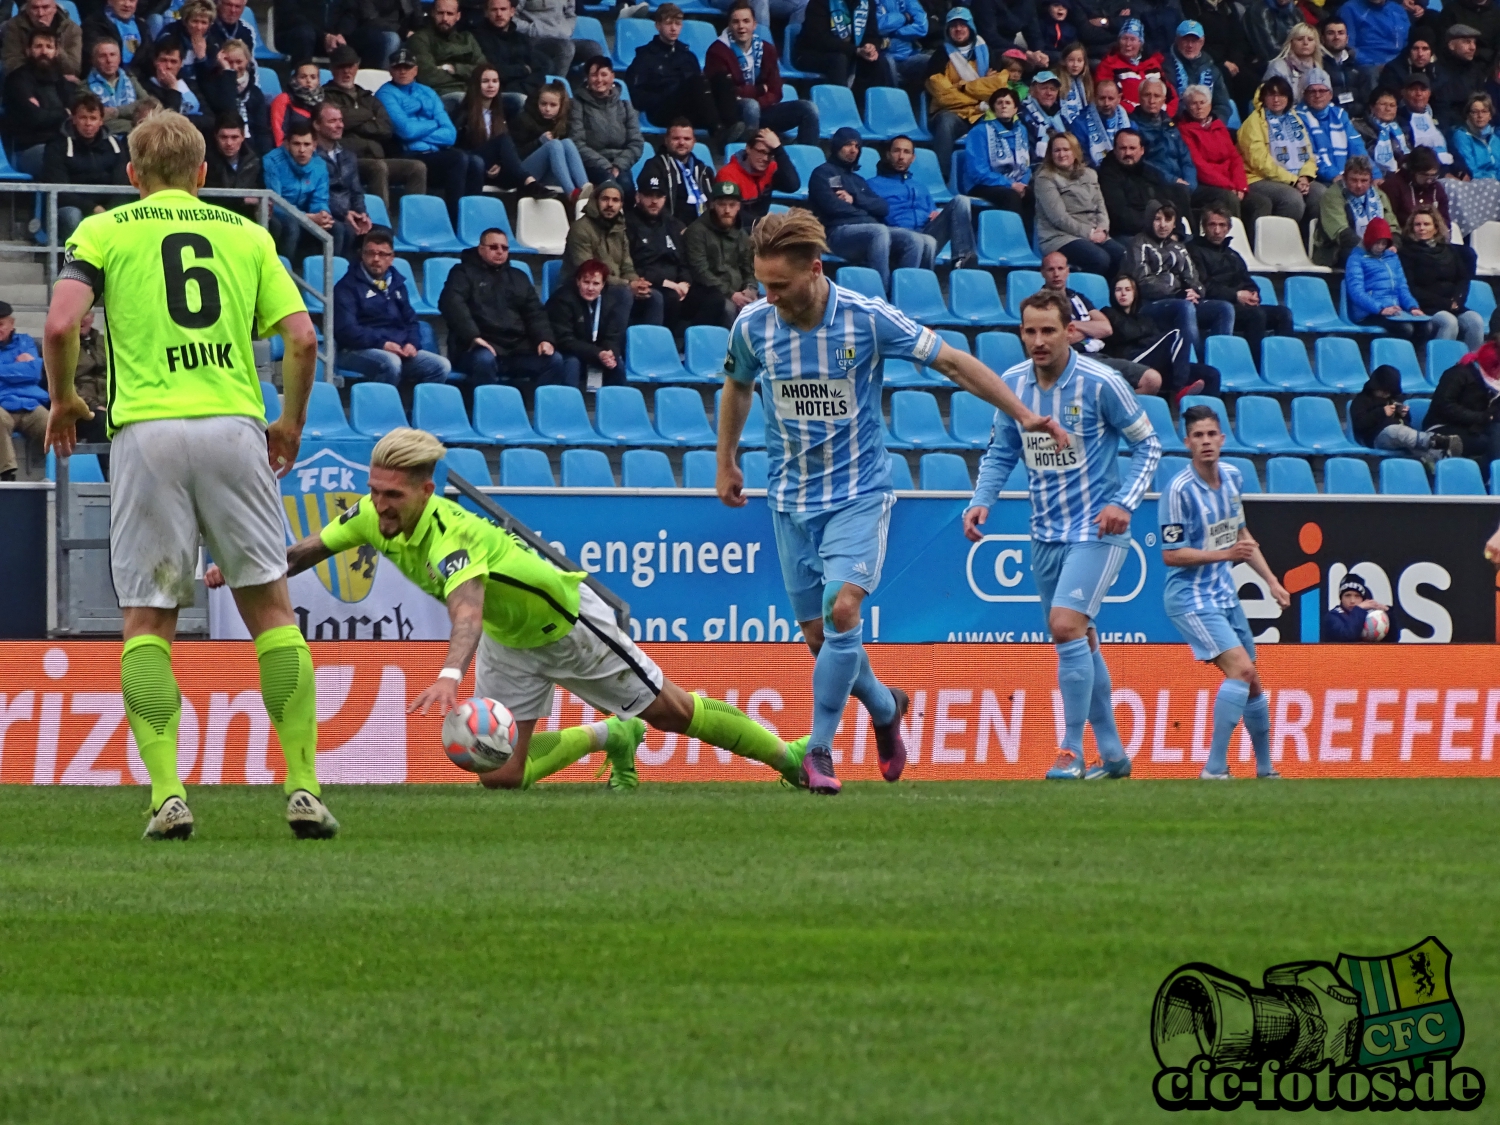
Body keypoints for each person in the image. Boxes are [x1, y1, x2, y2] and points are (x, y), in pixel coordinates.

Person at [226, 428, 812, 793]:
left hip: (566, 627)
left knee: (675, 712)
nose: (378, 505)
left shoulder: (451, 538)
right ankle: (610, 734)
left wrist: (451, 675)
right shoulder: (369, 516)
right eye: (375, 490)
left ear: (427, 491)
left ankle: (792, 758)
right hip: (511, 643)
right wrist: (245, 568)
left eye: (393, 495)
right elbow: (305, 552)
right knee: (501, 774)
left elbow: (467, 612)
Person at [42, 111, 327, 839]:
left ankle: (168, 793)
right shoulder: (248, 235)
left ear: (132, 175)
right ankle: (302, 784)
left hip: (147, 432)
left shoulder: (105, 230)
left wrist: (67, 396)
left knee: (147, 620)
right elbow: (301, 337)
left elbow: (59, 324)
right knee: (270, 610)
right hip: (234, 426)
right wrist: (287, 422)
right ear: (205, 174)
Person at [718, 212, 1074, 794]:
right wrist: (726, 459)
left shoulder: (865, 318)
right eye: (763, 284)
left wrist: (1025, 414)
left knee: (841, 609)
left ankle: (820, 750)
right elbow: (737, 384)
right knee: (820, 639)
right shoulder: (755, 326)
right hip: (789, 500)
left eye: (779, 285)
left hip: (858, 494)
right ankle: (886, 708)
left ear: (815, 270)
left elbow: (953, 362)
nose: (769, 296)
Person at [965, 288, 1161, 781]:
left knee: (1065, 624)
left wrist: (1124, 503)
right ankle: (1114, 755)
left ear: (1070, 332)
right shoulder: (1011, 385)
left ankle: (1069, 750)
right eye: (1029, 331)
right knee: (1079, 636)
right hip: (1045, 532)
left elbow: (1150, 446)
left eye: (1048, 330)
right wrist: (981, 500)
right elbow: (1001, 452)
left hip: (1097, 527)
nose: (1038, 340)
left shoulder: (1101, 383)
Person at [1158, 405, 1288, 780]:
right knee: (1242, 670)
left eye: (1211, 434)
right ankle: (1214, 769)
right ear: (1187, 443)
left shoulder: (1232, 477)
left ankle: (1265, 771)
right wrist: (1225, 554)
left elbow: (1241, 535)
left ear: (1222, 438)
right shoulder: (1178, 491)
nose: (1206, 442)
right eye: (1198, 436)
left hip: (1223, 595)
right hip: (1189, 598)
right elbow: (1171, 554)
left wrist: (1271, 581)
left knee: (1252, 681)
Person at [440, 227, 570, 387]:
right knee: (484, 360)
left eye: (504, 248)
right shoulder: (461, 273)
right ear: (481, 249)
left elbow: (535, 313)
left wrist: (544, 339)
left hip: (516, 349)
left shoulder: (518, 277)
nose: (500, 251)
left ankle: (540, 409)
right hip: (476, 347)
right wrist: (473, 337)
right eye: (493, 247)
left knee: (554, 360)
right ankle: (486, 409)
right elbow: (451, 303)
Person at [1126, 199, 1232, 392]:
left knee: (1224, 308)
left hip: (1180, 300)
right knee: (1185, 306)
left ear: (1175, 222)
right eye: (1157, 219)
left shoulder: (1179, 247)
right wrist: (1179, 292)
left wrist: (1195, 292)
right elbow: (1143, 282)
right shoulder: (1139, 243)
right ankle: (1193, 366)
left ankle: (1218, 367)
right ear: (1150, 219)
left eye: (1168, 219)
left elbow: (1195, 279)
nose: (1163, 224)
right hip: (1150, 305)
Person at [811, 126, 925, 293]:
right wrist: (865, 209)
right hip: (836, 234)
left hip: (866, 231)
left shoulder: (858, 180)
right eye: (848, 145)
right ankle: (881, 296)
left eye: (857, 146)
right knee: (879, 231)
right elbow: (833, 208)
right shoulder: (822, 173)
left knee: (914, 239)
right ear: (837, 146)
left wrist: (855, 199)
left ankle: (904, 295)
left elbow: (883, 207)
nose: (853, 150)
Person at [334, 228, 453, 385]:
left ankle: (416, 409)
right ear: (362, 255)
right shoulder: (346, 286)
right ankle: (383, 408)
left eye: (382, 254)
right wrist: (382, 344)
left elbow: (411, 321)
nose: (376, 259)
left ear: (391, 258)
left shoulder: (397, 284)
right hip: (355, 350)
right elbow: (347, 330)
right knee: (390, 362)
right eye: (370, 253)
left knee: (440, 366)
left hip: (397, 348)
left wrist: (412, 344)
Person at [377, 46, 483, 221]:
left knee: (476, 163)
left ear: (416, 70)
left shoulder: (427, 92)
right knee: (458, 159)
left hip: (436, 153)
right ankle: (455, 221)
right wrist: (434, 123)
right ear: (390, 70)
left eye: (407, 67)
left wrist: (422, 128)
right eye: (397, 67)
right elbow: (406, 131)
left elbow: (450, 135)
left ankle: (472, 222)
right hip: (409, 155)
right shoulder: (385, 93)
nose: (402, 72)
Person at [1042, 251, 1164, 393]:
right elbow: (1058, 341)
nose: (1056, 274)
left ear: (1067, 271)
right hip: (1070, 361)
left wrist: (1071, 326)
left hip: (1098, 356)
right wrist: (1090, 331)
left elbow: (1106, 328)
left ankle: (1117, 409)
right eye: (1051, 269)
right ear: (1043, 273)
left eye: (1060, 268)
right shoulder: (1039, 303)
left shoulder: (1077, 297)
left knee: (1152, 380)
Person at [323, 45, 429, 208]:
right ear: (331, 69)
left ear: (357, 67)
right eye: (341, 66)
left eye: (350, 66)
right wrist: (368, 115)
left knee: (417, 167)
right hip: (346, 159)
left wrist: (352, 119)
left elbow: (386, 129)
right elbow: (337, 121)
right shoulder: (325, 95)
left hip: (375, 155)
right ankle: (382, 226)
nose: (347, 71)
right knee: (378, 167)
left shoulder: (367, 96)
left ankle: (414, 221)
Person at [703, 0, 819, 145]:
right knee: (751, 106)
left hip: (763, 108)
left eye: (746, 21)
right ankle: (751, 154)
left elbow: (776, 90)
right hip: (734, 113)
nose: (741, 26)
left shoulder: (767, 48)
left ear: (754, 25)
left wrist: (758, 100)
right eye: (736, 22)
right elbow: (724, 92)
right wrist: (758, 90)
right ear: (729, 25)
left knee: (809, 108)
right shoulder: (717, 51)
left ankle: (808, 158)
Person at [1191, 202, 1292, 361]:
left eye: (1221, 225)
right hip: (1213, 306)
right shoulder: (1194, 250)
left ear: (1228, 228)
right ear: (1203, 226)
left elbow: (1247, 281)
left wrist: (1253, 294)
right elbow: (1203, 286)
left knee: (1283, 314)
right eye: (1212, 225)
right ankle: (1254, 365)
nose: (1217, 230)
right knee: (1256, 315)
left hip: (1238, 305)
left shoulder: (1233, 255)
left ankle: (1283, 364)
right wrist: (1236, 295)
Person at [627, 170, 718, 339]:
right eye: (649, 195)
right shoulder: (628, 224)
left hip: (678, 284)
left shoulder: (673, 224)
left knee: (714, 298)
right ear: (638, 197)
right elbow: (632, 265)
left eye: (659, 196)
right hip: (651, 284)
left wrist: (685, 282)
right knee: (668, 297)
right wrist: (666, 283)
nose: (654, 201)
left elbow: (684, 260)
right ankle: (666, 346)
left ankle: (690, 344)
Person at [869, 133, 979, 271]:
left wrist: (935, 216)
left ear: (913, 158)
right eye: (896, 151)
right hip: (897, 239)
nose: (901, 156)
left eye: (906, 152)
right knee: (928, 242)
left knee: (961, 201)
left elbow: (931, 212)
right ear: (888, 154)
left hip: (926, 234)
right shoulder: (872, 185)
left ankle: (962, 259)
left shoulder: (920, 187)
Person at [564, 180, 662, 326]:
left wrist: (637, 283)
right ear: (595, 201)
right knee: (624, 294)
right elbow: (587, 272)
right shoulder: (580, 229)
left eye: (615, 200)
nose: (610, 204)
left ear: (621, 205)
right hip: (584, 287)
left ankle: (647, 345)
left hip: (615, 286)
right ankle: (616, 344)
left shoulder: (620, 230)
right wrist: (628, 285)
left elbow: (627, 267)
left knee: (654, 297)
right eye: (605, 199)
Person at [1104, 272, 1217, 398]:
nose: (1123, 293)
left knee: (1211, 374)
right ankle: (1179, 388)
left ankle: (1206, 415)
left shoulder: (1144, 317)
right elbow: (1125, 333)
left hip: (1152, 361)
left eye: (1128, 289)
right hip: (1130, 361)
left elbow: (1145, 336)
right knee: (1176, 334)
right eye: (1118, 290)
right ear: (1113, 294)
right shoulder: (1108, 313)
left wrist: (1142, 336)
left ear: (1134, 293)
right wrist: (1144, 335)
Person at [925, 7, 1006, 176]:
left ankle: (997, 175)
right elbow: (943, 95)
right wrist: (979, 96)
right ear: (948, 30)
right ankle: (941, 177)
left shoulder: (988, 52)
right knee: (946, 123)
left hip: (982, 113)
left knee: (1004, 119)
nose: (958, 29)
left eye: (963, 25)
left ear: (971, 27)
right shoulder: (940, 56)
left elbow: (997, 88)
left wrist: (963, 86)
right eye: (954, 26)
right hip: (952, 113)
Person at [1034, 130, 1123, 276]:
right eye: (1057, 150)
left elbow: (1101, 207)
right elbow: (1059, 218)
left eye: (1066, 150)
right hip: (1059, 236)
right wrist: (1089, 233)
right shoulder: (1045, 178)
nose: (1062, 154)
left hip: (1094, 232)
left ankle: (1111, 297)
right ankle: (1083, 294)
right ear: (1050, 154)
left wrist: (1102, 229)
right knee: (1099, 259)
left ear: (1075, 152)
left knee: (1122, 256)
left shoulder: (1090, 174)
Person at [43, 93, 129, 242]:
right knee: (72, 216)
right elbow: (60, 191)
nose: (88, 123)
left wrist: (109, 213)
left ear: (101, 121)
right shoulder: (56, 146)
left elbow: (122, 185)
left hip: (108, 209)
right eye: (83, 118)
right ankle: (78, 262)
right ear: (74, 119)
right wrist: (94, 208)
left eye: (93, 118)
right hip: (74, 208)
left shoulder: (116, 146)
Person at [1238, 75, 1322, 225]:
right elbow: (1260, 162)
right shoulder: (1253, 122)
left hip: (1295, 177)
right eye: (1272, 95)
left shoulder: (1294, 119)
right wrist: (1292, 180)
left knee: (1320, 194)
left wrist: (1305, 176)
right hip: (1258, 178)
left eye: (1281, 95)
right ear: (1264, 97)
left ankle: (1309, 242)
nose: (1276, 100)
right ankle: (1279, 242)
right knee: (1292, 199)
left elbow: (1308, 153)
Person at [626, 4, 721, 133]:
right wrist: (663, 97)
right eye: (668, 23)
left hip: (687, 109)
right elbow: (636, 95)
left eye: (678, 24)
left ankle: (730, 126)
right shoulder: (645, 56)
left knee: (722, 78)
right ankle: (718, 130)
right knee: (697, 81)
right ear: (658, 25)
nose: (673, 28)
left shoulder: (688, 55)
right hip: (661, 111)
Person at [1399, 206, 1484, 349]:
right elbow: (1411, 288)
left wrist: (1457, 299)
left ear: (1436, 227)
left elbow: (1462, 278)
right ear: (1411, 228)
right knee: (1449, 322)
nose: (1422, 228)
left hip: (1452, 304)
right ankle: (1442, 367)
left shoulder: (1449, 250)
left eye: (1426, 224)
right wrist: (1445, 303)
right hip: (1426, 306)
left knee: (1475, 321)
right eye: (1417, 224)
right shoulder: (1406, 253)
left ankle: (1472, 366)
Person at [1178, 83, 1263, 223]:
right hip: (1205, 185)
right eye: (1193, 103)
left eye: (1202, 102)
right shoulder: (1184, 130)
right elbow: (1199, 166)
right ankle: (1234, 239)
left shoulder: (1219, 126)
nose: (1199, 107)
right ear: (1187, 106)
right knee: (1230, 199)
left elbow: (1235, 158)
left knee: (1260, 202)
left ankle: (1254, 242)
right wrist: (1229, 187)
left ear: (1210, 104)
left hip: (1230, 183)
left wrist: (1240, 186)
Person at [683, 180, 758, 327]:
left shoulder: (741, 234)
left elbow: (748, 269)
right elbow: (700, 271)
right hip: (707, 294)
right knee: (727, 308)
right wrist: (731, 294)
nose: (727, 210)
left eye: (732, 205)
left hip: (737, 293)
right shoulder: (697, 231)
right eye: (722, 205)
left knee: (765, 306)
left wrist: (750, 290)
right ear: (712, 205)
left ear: (739, 207)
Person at [1351, 361, 1460, 460]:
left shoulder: (1393, 399)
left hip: (1399, 433)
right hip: (1376, 436)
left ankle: (1436, 458)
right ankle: (1433, 440)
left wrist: (1404, 414)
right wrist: (1382, 412)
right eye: (1383, 391)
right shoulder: (1361, 400)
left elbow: (1406, 421)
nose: (1386, 395)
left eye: (1389, 392)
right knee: (1398, 433)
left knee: (1410, 441)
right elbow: (1360, 423)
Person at [263, 117, 337, 259]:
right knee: (291, 227)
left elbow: (320, 198)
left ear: (314, 145)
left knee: (337, 229)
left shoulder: (320, 165)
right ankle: (286, 273)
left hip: (307, 214)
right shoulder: (271, 161)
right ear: (287, 144)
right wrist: (308, 217)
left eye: (306, 144)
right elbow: (276, 203)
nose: (302, 150)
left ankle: (328, 276)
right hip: (281, 215)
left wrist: (322, 214)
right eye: (296, 144)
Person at [454, 65, 538, 192]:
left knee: (510, 171)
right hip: (473, 164)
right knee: (503, 139)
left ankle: (528, 188)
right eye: (485, 81)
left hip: (494, 170)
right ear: (476, 85)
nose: (491, 85)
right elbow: (458, 150)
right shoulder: (464, 113)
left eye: (495, 81)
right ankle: (530, 182)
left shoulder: (502, 112)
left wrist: (498, 164)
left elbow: (506, 150)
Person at [1343, 216, 1427, 340]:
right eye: (1377, 242)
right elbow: (1356, 292)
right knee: (1405, 329)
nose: (1381, 247)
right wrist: (1380, 309)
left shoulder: (1392, 257)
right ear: (1369, 240)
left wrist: (1412, 307)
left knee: (1425, 327)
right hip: (1369, 312)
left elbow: (1402, 287)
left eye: (1384, 243)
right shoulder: (1356, 258)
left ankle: (1409, 358)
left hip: (1393, 310)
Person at [4, 30, 77, 173]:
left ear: (56, 52)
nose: (44, 51)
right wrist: (64, 112)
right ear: (28, 50)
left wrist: (48, 112)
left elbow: (74, 114)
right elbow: (35, 118)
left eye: (49, 47)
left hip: (63, 143)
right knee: (60, 159)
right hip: (30, 148)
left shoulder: (63, 82)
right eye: (38, 46)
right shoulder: (17, 80)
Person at [1098, 129, 1191, 241]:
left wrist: (1177, 233)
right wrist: (1156, 229)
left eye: (1132, 148)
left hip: (1159, 229)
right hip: (1129, 234)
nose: (1128, 153)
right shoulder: (1107, 175)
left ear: (1142, 150)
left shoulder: (1150, 172)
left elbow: (1169, 204)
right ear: (1115, 150)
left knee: (1189, 241)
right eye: (1123, 148)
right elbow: (1120, 216)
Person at [796, 0, 893, 105]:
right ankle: (839, 108)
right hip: (810, 53)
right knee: (839, 60)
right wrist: (855, 50)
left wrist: (870, 45)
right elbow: (819, 39)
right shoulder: (820, 2)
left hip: (850, 52)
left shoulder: (867, 3)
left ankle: (870, 110)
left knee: (879, 61)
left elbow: (872, 34)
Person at [547, 258, 626, 387]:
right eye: (586, 282)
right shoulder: (562, 300)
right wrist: (597, 353)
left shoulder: (611, 301)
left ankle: (617, 404)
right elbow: (564, 340)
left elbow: (613, 335)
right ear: (578, 281)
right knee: (572, 363)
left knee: (617, 362)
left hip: (597, 351)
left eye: (595, 283)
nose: (590, 288)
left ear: (603, 284)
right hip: (568, 351)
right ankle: (570, 404)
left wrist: (610, 352)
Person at [960, 87, 1035, 223]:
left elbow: (1026, 165)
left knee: (1034, 193)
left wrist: (1022, 184)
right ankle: (1011, 239)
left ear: (1015, 109)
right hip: (983, 184)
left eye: (1008, 103)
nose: (1004, 106)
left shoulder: (1021, 130)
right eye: (999, 103)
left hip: (1015, 183)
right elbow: (977, 171)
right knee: (1011, 196)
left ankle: (1030, 241)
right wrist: (1010, 184)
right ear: (994, 109)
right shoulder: (979, 131)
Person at [573, 57, 644, 192]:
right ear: (587, 78)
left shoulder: (625, 105)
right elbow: (577, 142)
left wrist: (618, 166)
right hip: (591, 164)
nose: (599, 80)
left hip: (620, 164)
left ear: (612, 76)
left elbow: (636, 142)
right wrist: (607, 166)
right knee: (610, 185)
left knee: (627, 188)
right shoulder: (577, 104)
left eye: (604, 74)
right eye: (594, 75)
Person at [509, 81, 589, 200]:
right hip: (524, 174)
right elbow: (514, 155)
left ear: (560, 106)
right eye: (543, 104)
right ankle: (571, 193)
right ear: (537, 103)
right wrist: (538, 142)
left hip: (549, 173)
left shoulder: (563, 122)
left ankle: (585, 189)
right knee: (554, 145)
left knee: (567, 143)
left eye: (553, 105)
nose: (547, 109)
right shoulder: (523, 119)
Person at [312, 103, 373, 257]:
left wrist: (361, 214)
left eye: (340, 120)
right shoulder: (310, 156)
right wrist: (344, 213)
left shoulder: (348, 156)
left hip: (349, 214)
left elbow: (356, 191)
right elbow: (321, 192)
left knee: (382, 233)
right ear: (317, 125)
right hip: (328, 213)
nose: (339, 125)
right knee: (343, 230)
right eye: (332, 121)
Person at [1314, 154, 1397, 266]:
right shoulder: (1332, 195)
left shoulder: (1379, 196)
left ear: (1371, 180)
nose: (1359, 185)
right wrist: (1369, 250)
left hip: (1377, 247)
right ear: (1344, 178)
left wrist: (1393, 245)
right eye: (1354, 180)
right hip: (1336, 250)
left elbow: (1392, 226)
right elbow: (1341, 232)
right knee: (1357, 258)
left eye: (1364, 181)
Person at [1427, 337, 1500, 459]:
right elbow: (1444, 406)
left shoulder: (1493, 385)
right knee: (1486, 442)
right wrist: (1481, 417)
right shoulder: (1458, 374)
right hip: (1442, 426)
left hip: (1475, 426)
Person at [716, 126, 801, 226]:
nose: (765, 158)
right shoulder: (728, 174)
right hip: (735, 231)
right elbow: (732, 214)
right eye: (761, 152)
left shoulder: (770, 168)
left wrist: (778, 148)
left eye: (770, 154)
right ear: (748, 149)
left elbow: (793, 185)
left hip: (759, 230)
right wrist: (765, 224)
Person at [0, 302, 47, 483]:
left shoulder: (25, 341)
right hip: (1, 403)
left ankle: (61, 474)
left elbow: (34, 373)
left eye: (1, 324)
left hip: (28, 402)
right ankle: (6, 475)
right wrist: (18, 367)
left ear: (11, 323)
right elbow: (26, 371)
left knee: (52, 423)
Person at [639, 119, 716, 227]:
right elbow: (653, 205)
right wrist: (677, 228)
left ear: (694, 141)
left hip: (703, 231)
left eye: (687, 139)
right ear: (666, 140)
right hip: (670, 229)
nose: (681, 143)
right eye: (676, 138)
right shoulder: (655, 166)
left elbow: (714, 202)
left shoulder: (703, 170)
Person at [409, 0, 486, 109]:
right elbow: (427, 76)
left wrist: (455, 69)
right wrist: (467, 76)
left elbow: (484, 72)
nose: (445, 18)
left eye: (450, 14)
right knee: (463, 100)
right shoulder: (420, 39)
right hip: (440, 95)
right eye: (440, 13)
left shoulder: (467, 38)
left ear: (458, 16)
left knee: (516, 100)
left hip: (472, 93)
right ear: (432, 13)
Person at [1299, 68, 1366, 188]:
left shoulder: (1340, 114)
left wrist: (1372, 174)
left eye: (1322, 90)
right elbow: (1311, 155)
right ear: (1304, 95)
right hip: (1317, 178)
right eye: (1312, 91)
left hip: (1345, 176)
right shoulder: (1297, 116)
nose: (1317, 95)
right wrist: (1334, 175)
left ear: (1330, 94)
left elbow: (1357, 147)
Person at [475, 0, 547, 109]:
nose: (499, 14)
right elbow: (492, 71)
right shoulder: (478, 38)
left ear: (512, 12)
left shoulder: (522, 39)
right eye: (494, 9)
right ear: (486, 12)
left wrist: (521, 86)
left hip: (525, 92)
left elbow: (538, 72)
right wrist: (523, 70)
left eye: (503, 9)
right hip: (496, 96)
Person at [511, 0, 605, 81]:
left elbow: (570, 14)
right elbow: (511, 16)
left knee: (593, 48)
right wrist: (532, 29)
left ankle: (589, 93)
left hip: (561, 37)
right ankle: (556, 91)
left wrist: (566, 30)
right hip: (533, 40)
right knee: (565, 48)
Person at [1094, 19, 1172, 113]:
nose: (1128, 44)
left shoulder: (1153, 64)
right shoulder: (1108, 65)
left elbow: (1170, 94)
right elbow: (1108, 98)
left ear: (1140, 43)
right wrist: (1137, 113)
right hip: (1127, 118)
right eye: (1124, 39)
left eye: (1132, 39)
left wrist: (1167, 111)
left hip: (1158, 117)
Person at [1130, 76, 1195, 190]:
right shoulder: (1132, 126)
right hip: (1155, 184)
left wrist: (1190, 184)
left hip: (1182, 184)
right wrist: (1172, 180)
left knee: (1224, 197)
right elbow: (1141, 163)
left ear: (1164, 100)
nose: (1152, 101)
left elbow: (1186, 158)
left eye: (1157, 96)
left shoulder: (1169, 123)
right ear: (1139, 97)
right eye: (1147, 95)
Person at [209, 39, 269, 154]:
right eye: (229, 62)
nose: (235, 67)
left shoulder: (255, 92)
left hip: (251, 151)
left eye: (239, 62)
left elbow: (261, 131)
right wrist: (228, 73)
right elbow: (228, 108)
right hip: (221, 149)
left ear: (247, 61)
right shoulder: (213, 87)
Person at [137, 40, 209, 131]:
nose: (168, 66)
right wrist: (173, 88)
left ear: (181, 63)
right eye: (163, 60)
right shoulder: (145, 87)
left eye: (173, 61)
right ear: (155, 61)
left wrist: (182, 120)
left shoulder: (190, 84)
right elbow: (168, 120)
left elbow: (209, 119)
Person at [326, 0, 418, 70]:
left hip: (399, 32)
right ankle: (381, 82)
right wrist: (403, 32)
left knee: (420, 39)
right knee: (392, 39)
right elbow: (370, 18)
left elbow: (418, 18)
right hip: (363, 31)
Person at [1167, 19, 1229, 121]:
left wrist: (1214, 118)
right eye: (1186, 40)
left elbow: (1223, 105)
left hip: (1207, 127)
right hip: (1177, 124)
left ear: (1202, 42)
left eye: (1194, 40)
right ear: (1177, 40)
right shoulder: (1166, 67)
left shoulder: (1212, 68)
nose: (1190, 45)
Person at [2, 0, 82, 78]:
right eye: (35, 8)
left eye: (45, 7)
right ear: (27, 9)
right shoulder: (13, 26)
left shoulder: (72, 29)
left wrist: (56, 50)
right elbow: (11, 65)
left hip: (59, 82)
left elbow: (74, 69)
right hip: (26, 80)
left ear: (55, 8)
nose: (40, 13)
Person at [204, 112, 261, 217]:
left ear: (243, 137)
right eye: (224, 137)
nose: (229, 143)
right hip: (215, 216)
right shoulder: (206, 162)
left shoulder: (253, 161)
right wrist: (243, 200)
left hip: (246, 215)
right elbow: (210, 198)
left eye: (234, 137)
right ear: (216, 136)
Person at [1337, 0, 1416, 76]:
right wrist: (1374, 65)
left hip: (1397, 66)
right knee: (1371, 73)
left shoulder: (1398, 10)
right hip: (1368, 67)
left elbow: (1408, 43)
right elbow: (1348, 46)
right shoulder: (1350, 9)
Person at [1395, 73, 1455, 169]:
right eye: (1413, 89)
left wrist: (1461, 171)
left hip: (1449, 168)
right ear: (1404, 93)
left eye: (1423, 90)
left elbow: (1452, 147)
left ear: (1429, 93)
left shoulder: (1440, 117)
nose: (1419, 94)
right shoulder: (1399, 121)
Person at [1382, 144, 1450, 227]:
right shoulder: (1393, 187)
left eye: (1433, 175)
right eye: (1425, 175)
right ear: (1412, 171)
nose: (1429, 180)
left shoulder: (1437, 188)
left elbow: (1445, 220)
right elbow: (1389, 223)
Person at [86, 39, 143, 134]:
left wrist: (116, 112)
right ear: (94, 60)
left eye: (113, 55)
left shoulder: (130, 79)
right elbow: (95, 120)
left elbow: (151, 104)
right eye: (102, 56)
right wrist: (134, 123)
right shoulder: (85, 86)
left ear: (119, 58)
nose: (109, 60)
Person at [1069, 76, 1129, 166]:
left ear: (1119, 98)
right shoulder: (1079, 123)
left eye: (1111, 98)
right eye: (1102, 98)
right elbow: (1082, 157)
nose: (1106, 103)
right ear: (1094, 97)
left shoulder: (1129, 123)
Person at [1266, 21, 1331, 102]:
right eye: (1300, 39)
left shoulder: (1318, 67)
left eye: (1310, 39)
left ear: (1316, 44)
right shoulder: (1277, 67)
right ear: (1291, 42)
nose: (1305, 43)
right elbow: (1270, 99)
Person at [1434, 24, 1484, 127]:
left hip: (1473, 126)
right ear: (1451, 45)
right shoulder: (1436, 70)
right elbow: (1441, 107)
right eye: (1467, 42)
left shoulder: (1476, 71)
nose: (1473, 47)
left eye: (1474, 42)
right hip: (1447, 127)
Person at [1020, 69, 1071, 164]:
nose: (1049, 93)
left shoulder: (1061, 117)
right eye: (1044, 88)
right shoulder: (1022, 116)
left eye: (1053, 89)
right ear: (1032, 90)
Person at [875, 0, 931, 87]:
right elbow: (877, 27)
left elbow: (922, 28)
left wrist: (895, 32)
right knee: (888, 62)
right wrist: (903, 17)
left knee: (932, 61)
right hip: (883, 56)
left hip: (909, 55)